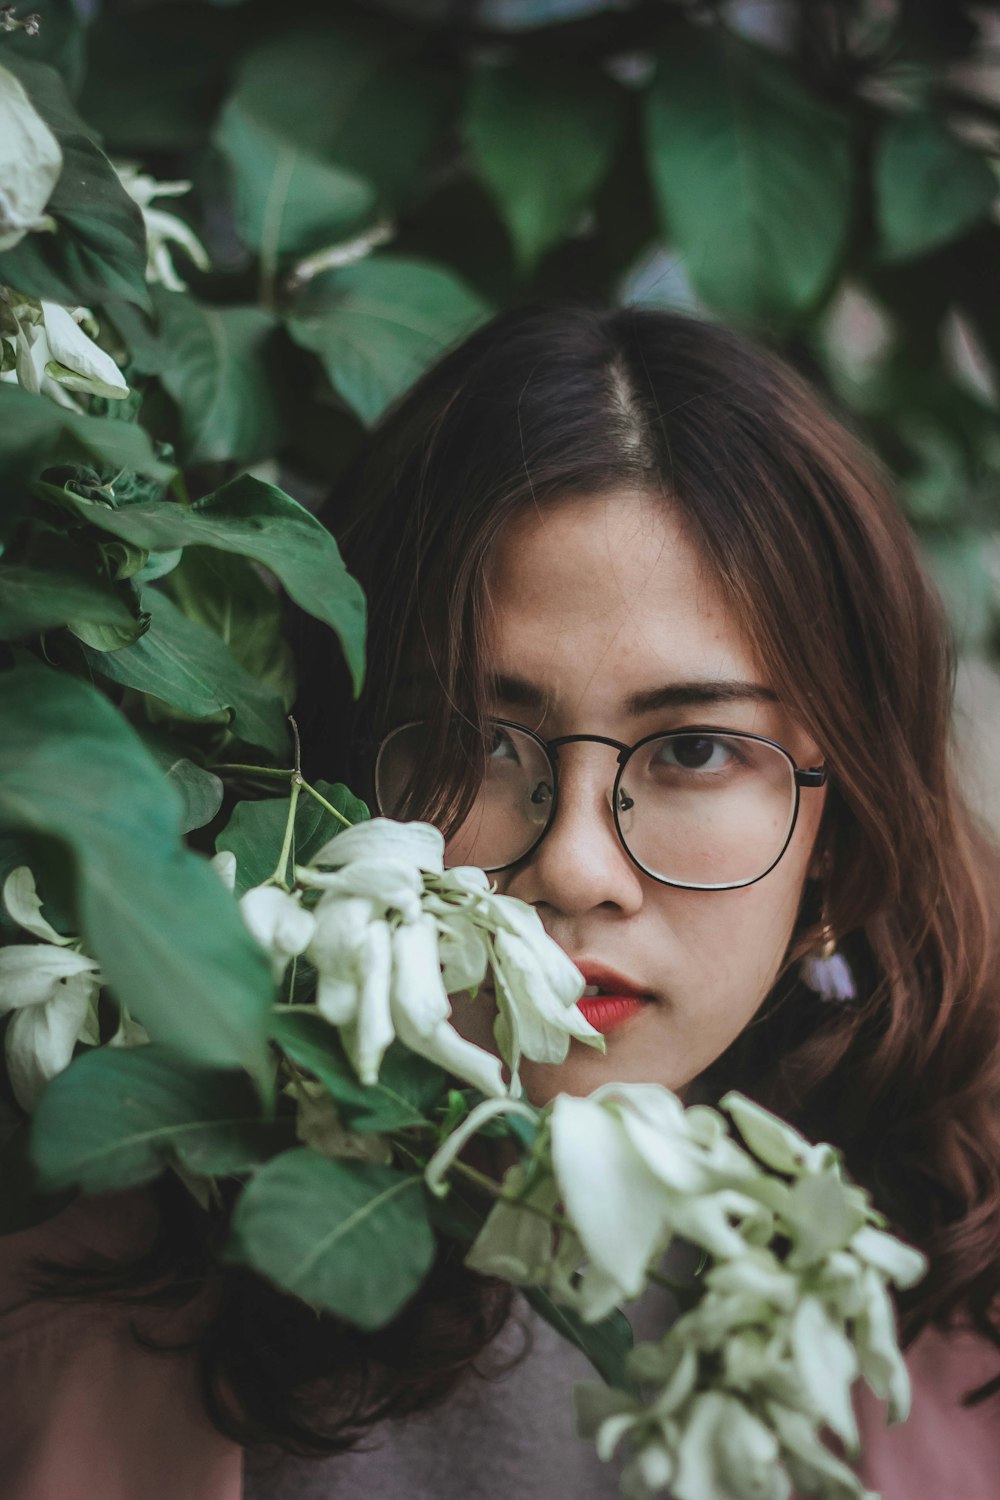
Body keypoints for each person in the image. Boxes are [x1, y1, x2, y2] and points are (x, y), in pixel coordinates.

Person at [271, 302, 1000, 1499]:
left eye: (695, 752)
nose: (573, 869)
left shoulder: (947, 1285)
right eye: (476, 738)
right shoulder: (128, 1269)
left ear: (841, 841)